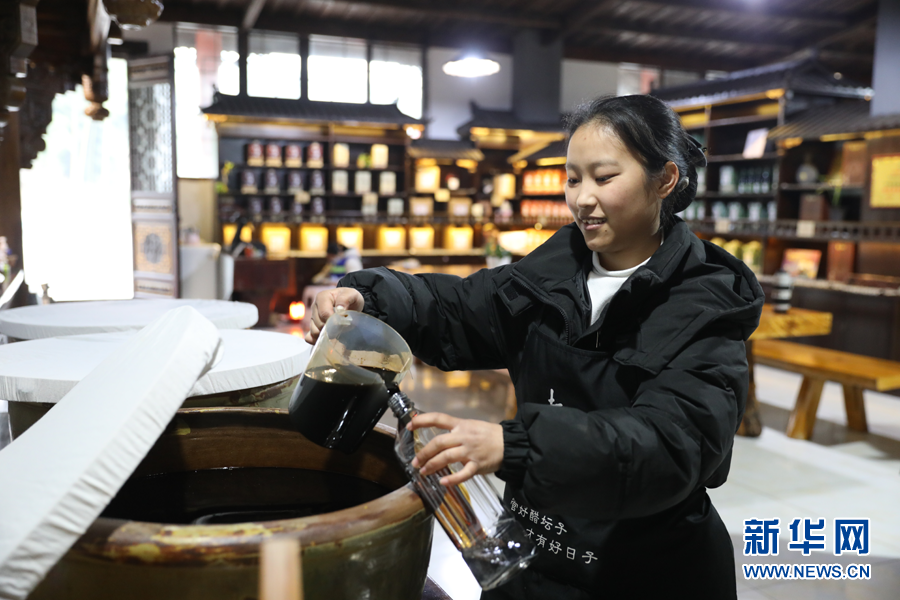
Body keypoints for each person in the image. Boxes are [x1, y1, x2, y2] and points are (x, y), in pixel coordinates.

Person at [306, 95, 764, 599]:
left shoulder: (704, 304)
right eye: (573, 179)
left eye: (603, 178)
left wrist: (517, 445)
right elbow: (455, 308)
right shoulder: (551, 273)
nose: (582, 199)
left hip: (645, 571)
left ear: (665, 180)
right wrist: (368, 300)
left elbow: (671, 445)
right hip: (533, 558)